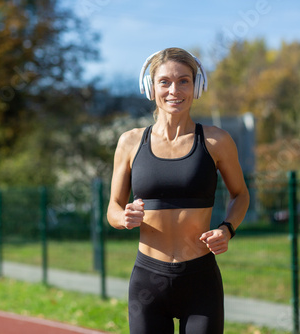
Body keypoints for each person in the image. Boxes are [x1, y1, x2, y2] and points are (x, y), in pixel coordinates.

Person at [106, 47, 250, 334]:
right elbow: (112, 207)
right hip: (148, 282)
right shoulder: (130, 142)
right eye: (165, 82)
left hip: (201, 281)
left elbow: (241, 195)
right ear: (150, 87)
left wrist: (227, 229)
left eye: (184, 80)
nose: (175, 90)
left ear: (197, 86)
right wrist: (123, 218)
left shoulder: (216, 140)